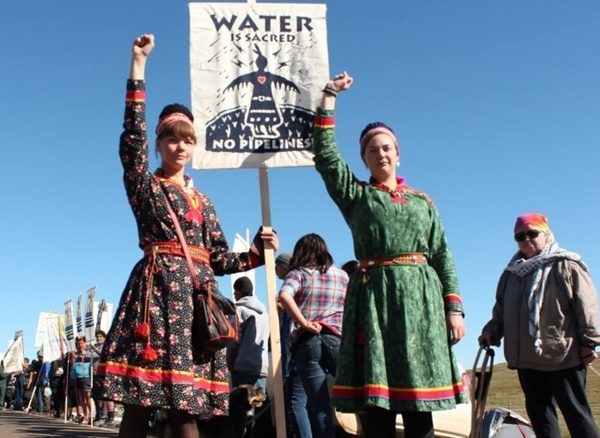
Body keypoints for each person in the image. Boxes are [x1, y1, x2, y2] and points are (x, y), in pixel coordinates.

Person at [93, 34, 278, 438]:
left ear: (195, 146)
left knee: (185, 411)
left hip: (196, 307)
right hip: (156, 298)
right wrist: (138, 67)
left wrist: (256, 254)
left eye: (187, 140)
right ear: (159, 143)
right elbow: (131, 141)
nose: (180, 146)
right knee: (139, 407)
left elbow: (220, 258)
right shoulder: (145, 186)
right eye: (172, 138)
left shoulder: (205, 201)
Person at [312, 72, 467, 438]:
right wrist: (330, 98)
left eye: (386, 147)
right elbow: (326, 158)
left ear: (398, 153)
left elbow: (442, 253)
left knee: (419, 405)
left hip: (421, 304)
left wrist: (454, 308)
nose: (380, 153)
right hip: (375, 300)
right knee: (377, 404)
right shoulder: (358, 196)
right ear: (364, 158)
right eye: (371, 149)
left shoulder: (423, 201)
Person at [479, 213, 600, 438]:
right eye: (520, 236)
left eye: (532, 233)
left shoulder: (566, 264)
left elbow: (588, 306)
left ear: (545, 234)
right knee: (541, 419)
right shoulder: (510, 274)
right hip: (526, 360)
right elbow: (500, 312)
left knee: (577, 415)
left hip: (563, 356)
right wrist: (490, 331)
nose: (526, 239)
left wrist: (589, 342)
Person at [278, 233, 348, 438]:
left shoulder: (298, 273)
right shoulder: (342, 275)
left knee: (319, 405)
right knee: (354, 394)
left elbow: (284, 295)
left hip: (308, 341)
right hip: (336, 338)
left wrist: (304, 323)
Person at [228, 276, 270, 393]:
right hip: (261, 368)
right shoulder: (264, 313)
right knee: (258, 406)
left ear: (240, 291)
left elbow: (234, 339)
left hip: (243, 368)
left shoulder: (238, 310)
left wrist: (230, 363)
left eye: (235, 291)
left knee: (242, 408)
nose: (234, 294)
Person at [71, 337, 92, 424]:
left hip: (86, 377)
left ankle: (92, 415)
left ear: (85, 344)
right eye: (78, 344)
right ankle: (85, 415)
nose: (80, 345)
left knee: (87, 396)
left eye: (82, 343)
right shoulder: (74, 355)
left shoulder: (88, 354)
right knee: (81, 398)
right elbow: (73, 367)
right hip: (78, 378)